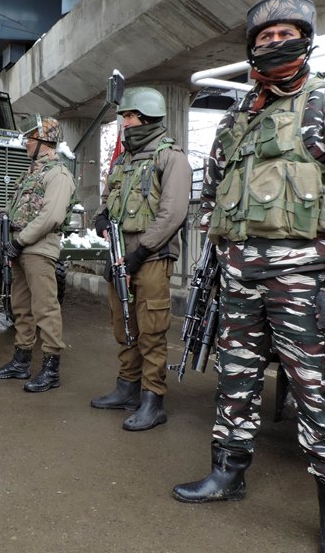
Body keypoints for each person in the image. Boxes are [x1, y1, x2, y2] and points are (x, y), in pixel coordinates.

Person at [171, 0, 325, 553]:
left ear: (306, 41)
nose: (274, 43)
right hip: (238, 277)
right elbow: (214, 189)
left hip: (304, 281)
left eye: (286, 34)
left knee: (319, 391)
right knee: (235, 377)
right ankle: (227, 473)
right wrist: (219, 251)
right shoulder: (238, 117)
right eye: (264, 38)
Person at [90, 87, 192, 431]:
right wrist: (101, 218)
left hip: (151, 256)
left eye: (130, 116)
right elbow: (107, 198)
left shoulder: (171, 158)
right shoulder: (124, 160)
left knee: (151, 329)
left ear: (147, 117)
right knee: (124, 325)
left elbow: (172, 213)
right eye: (124, 117)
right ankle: (127, 387)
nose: (125, 123)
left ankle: (153, 399)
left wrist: (140, 253)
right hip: (120, 254)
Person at [0, 115, 75, 392]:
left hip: (38, 249)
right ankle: (21, 361)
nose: (25, 143)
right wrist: (3, 217)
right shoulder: (31, 173)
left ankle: (51, 369)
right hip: (21, 248)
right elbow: (15, 206)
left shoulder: (58, 175)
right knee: (21, 307)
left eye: (30, 139)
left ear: (44, 143)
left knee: (45, 308)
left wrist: (20, 240)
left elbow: (51, 216)